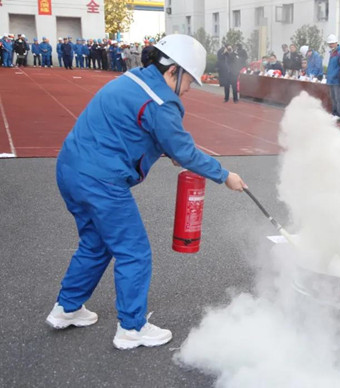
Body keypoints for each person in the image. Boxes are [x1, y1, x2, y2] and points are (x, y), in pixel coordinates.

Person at [45, 34, 246, 350]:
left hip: (71, 168)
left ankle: (66, 308)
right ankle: (131, 328)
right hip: (102, 180)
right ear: (172, 71)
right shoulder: (162, 103)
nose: (190, 89)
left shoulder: (133, 79)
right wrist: (225, 175)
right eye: (190, 81)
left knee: (96, 243)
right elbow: (185, 150)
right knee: (133, 250)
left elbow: (133, 127)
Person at [326, 34, 340, 117]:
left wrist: (333, 75)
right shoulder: (332, 52)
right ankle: (334, 112)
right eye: (329, 44)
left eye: (332, 43)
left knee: (338, 97)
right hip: (331, 79)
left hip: (337, 80)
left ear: (336, 42)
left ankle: (339, 114)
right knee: (333, 97)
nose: (331, 45)